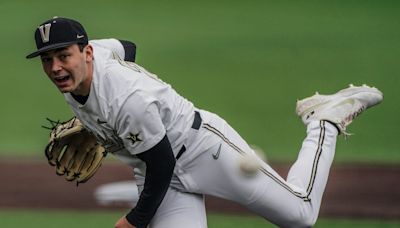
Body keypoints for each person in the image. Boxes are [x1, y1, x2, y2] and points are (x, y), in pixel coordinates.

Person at [27, 17, 383, 228]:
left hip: (204, 151)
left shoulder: (126, 100)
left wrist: (134, 221)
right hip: (157, 172)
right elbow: (128, 47)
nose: (56, 67)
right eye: (47, 59)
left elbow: (162, 162)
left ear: (85, 52)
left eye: (63, 56)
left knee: (300, 215)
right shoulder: (92, 61)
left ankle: (323, 121)